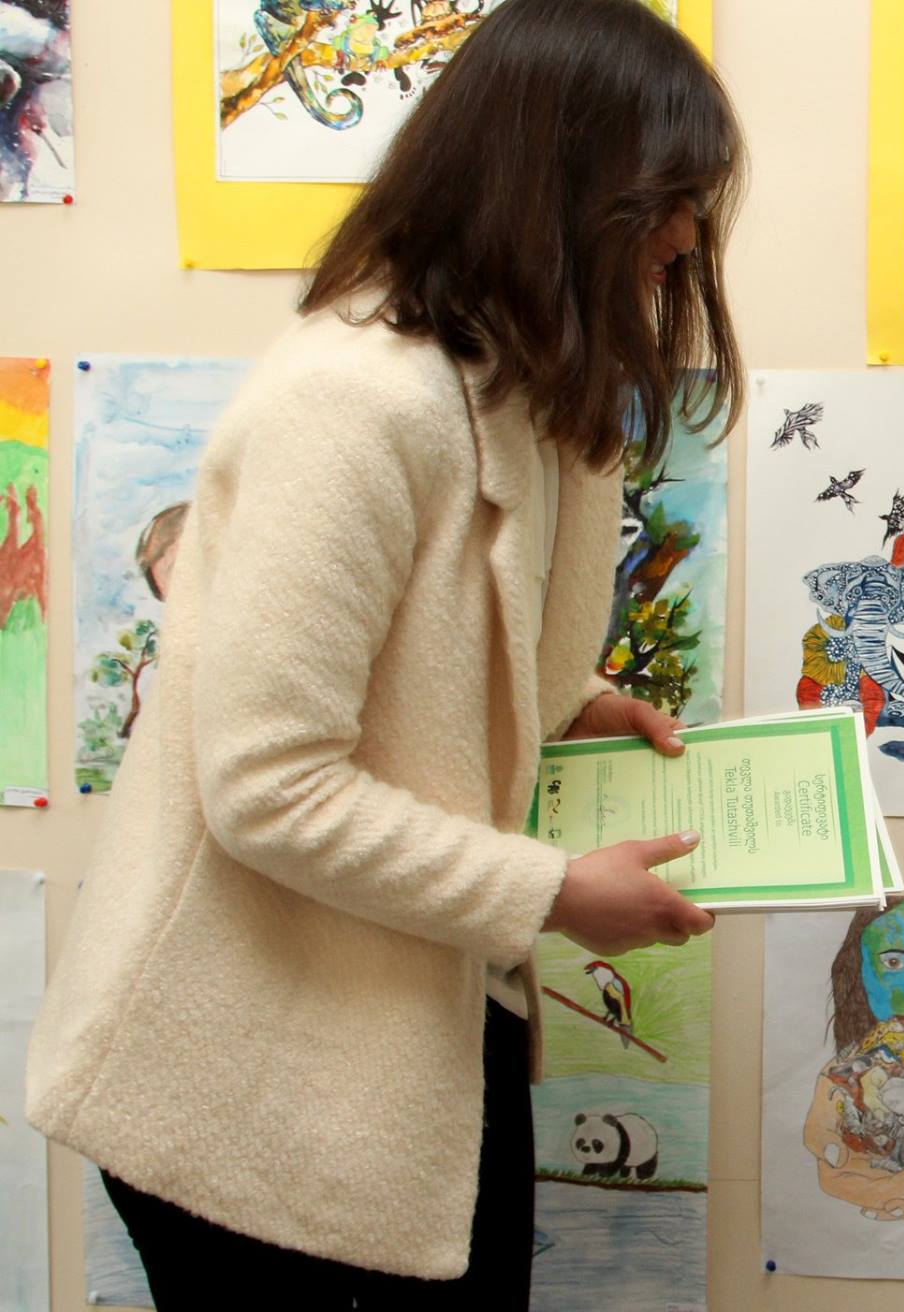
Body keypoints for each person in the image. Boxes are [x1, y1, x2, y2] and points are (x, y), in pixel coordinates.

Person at [26, 0, 744, 1304]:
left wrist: (569, 700)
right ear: (556, 186)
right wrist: (551, 892)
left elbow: (441, 644)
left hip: (400, 1029)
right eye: (666, 201)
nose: (687, 238)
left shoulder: (524, 388)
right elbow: (268, 785)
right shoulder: (352, 400)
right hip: (247, 1081)